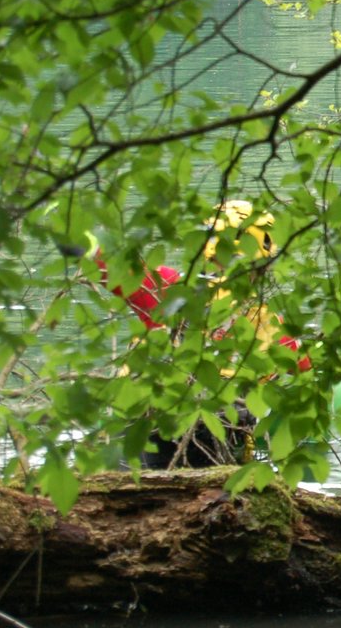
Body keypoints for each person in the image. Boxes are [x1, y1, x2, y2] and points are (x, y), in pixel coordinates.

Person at [64, 200, 309, 467]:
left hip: (149, 437)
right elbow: (307, 370)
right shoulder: (276, 327)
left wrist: (63, 228)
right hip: (221, 445)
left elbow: (106, 263)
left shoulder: (168, 290)